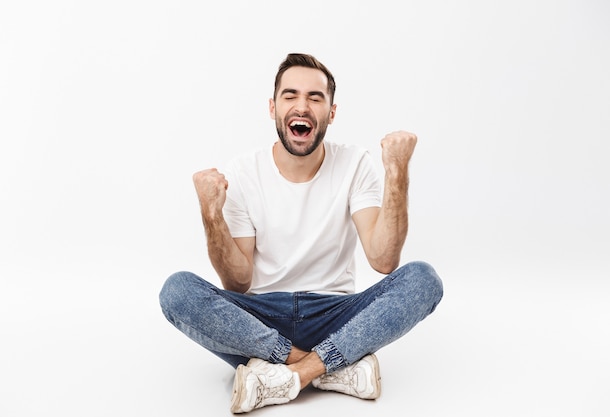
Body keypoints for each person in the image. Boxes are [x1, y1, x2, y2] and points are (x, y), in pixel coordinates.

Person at [159, 53, 443, 414]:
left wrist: (397, 170)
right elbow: (237, 282)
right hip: (261, 318)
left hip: (336, 314)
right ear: (273, 107)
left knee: (423, 279)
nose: (302, 106)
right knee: (177, 290)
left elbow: (384, 259)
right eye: (290, 96)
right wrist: (210, 213)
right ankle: (331, 368)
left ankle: (285, 374)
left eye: (315, 97)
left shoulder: (355, 163)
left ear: (331, 112)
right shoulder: (244, 171)